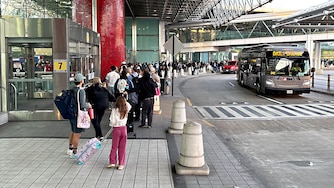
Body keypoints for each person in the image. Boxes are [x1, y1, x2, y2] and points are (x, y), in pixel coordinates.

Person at [67, 73, 92, 158]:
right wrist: (88, 105)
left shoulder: (71, 89)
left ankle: (70, 148)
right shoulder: (81, 91)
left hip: (71, 113)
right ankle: (75, 151)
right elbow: (82, 104)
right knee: (77, 133)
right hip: (78, 114)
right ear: (81, 81)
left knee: (73, 131)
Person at [107, 96, 131, 170]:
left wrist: (113, 124)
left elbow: (112, 121)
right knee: (122, 147)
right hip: (123, 129)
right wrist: (125, 100)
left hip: (116, 129)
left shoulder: (114, 110)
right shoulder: (126, 109)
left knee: (114, 146)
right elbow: (129, 105)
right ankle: (121, 164)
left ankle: (112, 162)